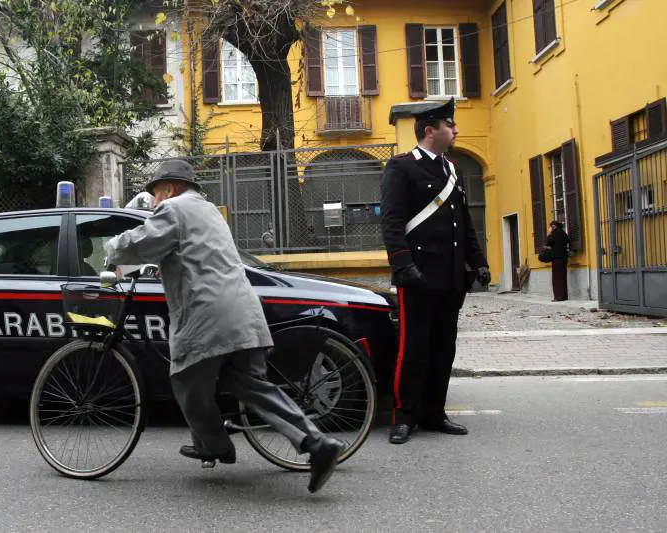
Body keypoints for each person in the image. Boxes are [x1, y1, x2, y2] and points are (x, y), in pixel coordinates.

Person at [104, 160, 345, 493]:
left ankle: (215, 445)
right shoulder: (208, 211)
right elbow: (196, 255)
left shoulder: (173, 208)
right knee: (251, 385)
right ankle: (316, 443)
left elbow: (141, 242)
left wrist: (110, 249)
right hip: (243, 310)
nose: (154, 203)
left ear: (170, 189)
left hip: (209, 315)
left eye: (155, 195)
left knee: (186, 379)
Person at [379, 97, 491, 445]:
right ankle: (405, 415)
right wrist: (403, 263)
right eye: (449, 125)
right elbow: (392, 221)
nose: (455, 130)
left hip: (451, 276)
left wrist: (480, 261)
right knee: (414, 347)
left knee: (444, 347)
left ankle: (434, 411)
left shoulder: (452, 170)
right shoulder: (401, 167)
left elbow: (465, 223)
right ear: (430, 130)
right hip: (418, 276)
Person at [544, 220, 570, 301]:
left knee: (556, 278)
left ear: (553, 226)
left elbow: (548, 242)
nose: (550, 228)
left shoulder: (554, 234)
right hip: (564, 257)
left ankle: (558, 297)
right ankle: (564, 296)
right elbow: (568, 242)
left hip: (556, 258)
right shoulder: (563, 233)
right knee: (563, 277)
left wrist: (549, 233)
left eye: (551, 227)